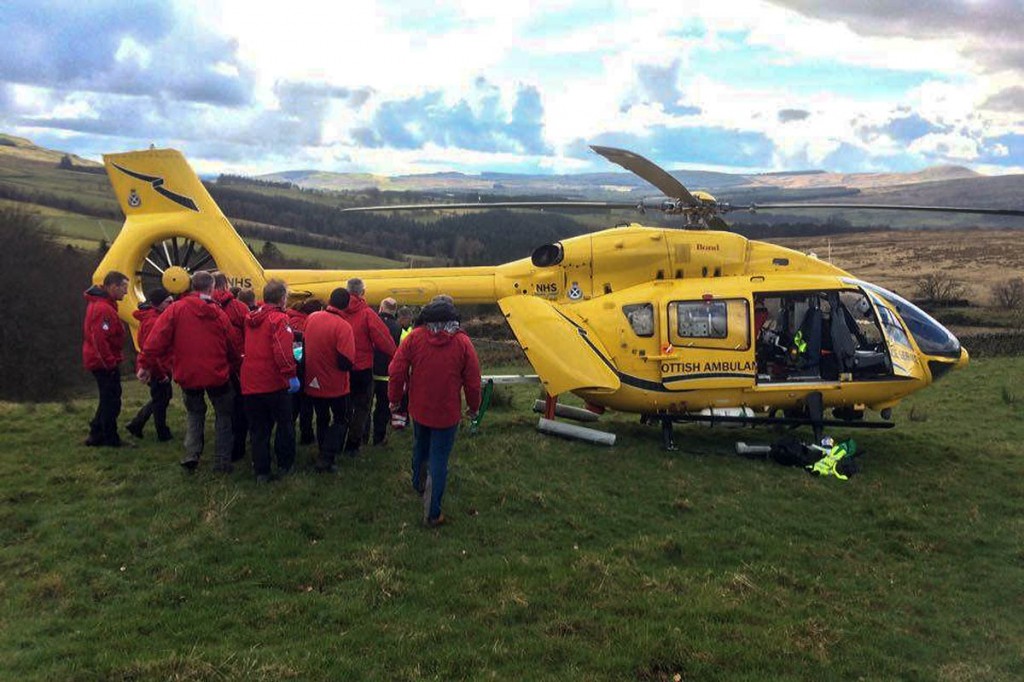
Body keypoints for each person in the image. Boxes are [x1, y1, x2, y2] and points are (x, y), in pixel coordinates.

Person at [389, 298, 481, 527]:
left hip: (419, 407)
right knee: (439, 458)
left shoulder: (415, 337)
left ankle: (419, 484)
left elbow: (396, 369)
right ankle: (432, 513)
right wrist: (474, 406)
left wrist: (394, 399)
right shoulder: (462, 342)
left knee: (420, 446)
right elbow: (473, 382)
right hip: (447, 412)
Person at [140, 271, 240, 472]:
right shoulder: (218, 313)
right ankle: (222, 460)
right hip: (216, 373)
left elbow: (156, 339)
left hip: (188, 373)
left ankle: (192, 453)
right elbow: (232, 344)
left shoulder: (176, 310)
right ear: (211, 288)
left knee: (194, 413)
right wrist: (236, 366)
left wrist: (145, 364)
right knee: (224, 415)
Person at [241, 279, 300, 482]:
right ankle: (285, 463)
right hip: (273, 382)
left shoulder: (250, 317)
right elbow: (282, 352)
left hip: (250, 381)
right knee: (284, 424)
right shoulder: (279, 320)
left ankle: (261, 470)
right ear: (282, 298)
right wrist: (290, 374)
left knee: (259, 428)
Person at [339, 278, 396, 455]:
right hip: (362, 369)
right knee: (362, 408)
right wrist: (396, 355)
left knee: (343, 407)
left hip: (341, 367)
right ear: (363, 293)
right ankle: (353, 444)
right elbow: (383, 339)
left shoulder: (337, 309)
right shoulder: (367, 314)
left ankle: (336, 440)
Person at [303, 288, 356, 472]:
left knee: (322, 418)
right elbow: (346, 362)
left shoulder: (312, 318)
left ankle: (321, 452)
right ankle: (327, 457)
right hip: (336, 385)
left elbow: (304, 344)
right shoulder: (343, 327)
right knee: (341, 419)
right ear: (347, 305)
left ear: (330, 300)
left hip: (312, 380)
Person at [82, 270, 129, 447]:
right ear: (113, 286)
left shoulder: (104, 305)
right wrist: (109, 363)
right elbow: (99, 339)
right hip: (103, 363)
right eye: (124, 288)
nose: (125, 292)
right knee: (112, 400)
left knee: (107, 397)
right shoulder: (102, 308)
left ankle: (96, 433)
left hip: (104, 360)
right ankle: (110, 438)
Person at [127, 288, 174, 441]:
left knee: (162, 396)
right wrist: (161, 375)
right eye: (168, 302)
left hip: (157, 365)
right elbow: (151, 351)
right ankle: (161, 432)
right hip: (157, 366)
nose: (172, 304)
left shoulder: (152, 317)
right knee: (161, 399)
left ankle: (137, 424)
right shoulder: (155, 321)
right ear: (159, 304)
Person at [213, 272, 250, 462]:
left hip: (211, 366)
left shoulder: (197, 307)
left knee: (219, 411)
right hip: (236, 364)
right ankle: (237, 448)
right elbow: (249, 333)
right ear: (226, 285)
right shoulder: (239, 308)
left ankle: (215, 447)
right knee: (238, 408)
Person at [288, 299, 323, 445]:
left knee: (293, 405)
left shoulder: (290, 319)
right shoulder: (305, 324)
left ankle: (289, 433)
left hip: (291, 369)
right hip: (303, 369)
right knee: (306, 405)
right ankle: (306, 435)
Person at [369, 297, 403, 445]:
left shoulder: (371, 322)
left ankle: (362, 437)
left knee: (364, 406)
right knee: (382, 409)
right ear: (395, 311)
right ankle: (379, 437)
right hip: (387, 375)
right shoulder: (399, 328)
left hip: (368, 371)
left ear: (381, 308)